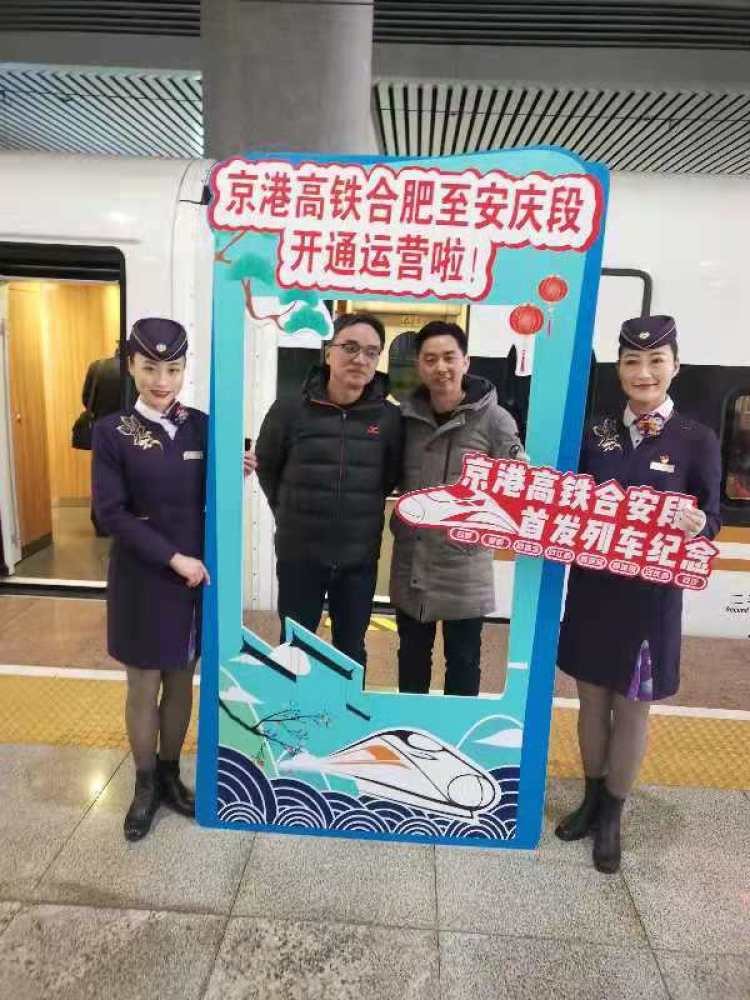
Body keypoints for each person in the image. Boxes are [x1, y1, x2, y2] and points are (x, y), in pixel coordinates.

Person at [555, 314, 721, 874]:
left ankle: (612, 815)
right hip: (594, 591)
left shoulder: (696, 439)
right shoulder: (597, 432)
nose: (643, 372)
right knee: (591, 703)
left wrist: (697, 525)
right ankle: (590, 799)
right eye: (631, 361)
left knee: (631, 711)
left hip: (651, 602)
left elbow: (713, 518)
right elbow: (570, 499)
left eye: (655, 361)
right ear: (619, 368)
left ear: (676, 366)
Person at [92, 318, 253, 841]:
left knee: (182, 679)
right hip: (142, 577)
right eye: (150, 368)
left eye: (173, 369)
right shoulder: (111, 432)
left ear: (185, 369)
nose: (162, 380)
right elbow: (111, 513)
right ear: (131, 366)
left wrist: (236, 471)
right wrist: (172, 557)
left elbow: (211, 492)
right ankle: (143, 785)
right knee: (143, 684)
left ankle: (169, 774)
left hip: (191, 580)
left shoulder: (202, 427)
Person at [255, 312, 402, 668]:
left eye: (371, 352)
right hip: (299, 555)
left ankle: (346, 709)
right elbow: (267, 468)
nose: (360, 359)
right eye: (350, 348)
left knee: (350, 652)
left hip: (358, 559)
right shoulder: (289, 410)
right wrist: (289, 514)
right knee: (294, 649)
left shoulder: (389, 419)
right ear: (328, 352)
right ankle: (292, 705)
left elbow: (389, 478)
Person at [389, 320, 526, 697]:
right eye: (430, 359)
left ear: (466, 362)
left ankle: (455, 734)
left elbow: (516, 485)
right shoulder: (404, 418)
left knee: (464, 662)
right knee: (411, 658)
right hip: (412, 562)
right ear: (419, 366)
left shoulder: (495, 420)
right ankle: (411, 726)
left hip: (464, 566)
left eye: (449, 357)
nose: (441, 367)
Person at [81, 346, 135, 536]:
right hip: (130, 428)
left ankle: (101, 525)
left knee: (102, 477)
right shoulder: (135, 369)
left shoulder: (97, 367)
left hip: (102, 428)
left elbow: (86, 398)